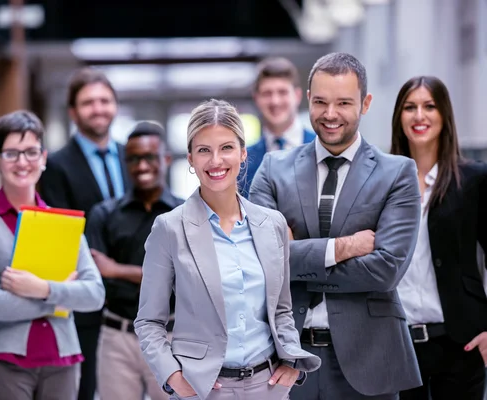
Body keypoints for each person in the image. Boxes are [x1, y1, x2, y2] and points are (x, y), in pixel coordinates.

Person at [249, 52, 423, 399]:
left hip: (370, 359)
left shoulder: (397, 174)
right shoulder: (272, 169)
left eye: (344, 102)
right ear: (308, 100)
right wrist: (341, 248)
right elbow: (258, 260)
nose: (330, 114)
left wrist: (293, 255)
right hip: (286, 360)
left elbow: (385, 270)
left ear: (366, 103)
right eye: (321, 102)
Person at [135, 99, 321, 400]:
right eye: (204, 150)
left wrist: (291, 363)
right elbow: (149, 321)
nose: (216, 161)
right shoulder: (169, 228)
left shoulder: (272, 224)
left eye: (226, 148)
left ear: (243, 153)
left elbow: (282, 309)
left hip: (269, 387)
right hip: (202, 390)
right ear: (191, 160)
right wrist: (172, 376)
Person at [0, 110, 105, 400]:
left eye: (31, 152)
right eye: (11, 153)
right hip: (2, 361)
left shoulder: (63, 223)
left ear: (43, 158)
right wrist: (58, 300)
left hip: (62, 359)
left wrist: (42, 290)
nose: (23, 162)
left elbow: (94, 294)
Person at [390, 76, 487, 400]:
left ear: (444, 115)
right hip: (397, 345)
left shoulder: (473, 180)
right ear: (398, 117)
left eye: (429, 106)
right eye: (410, 107)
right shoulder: (381, 184)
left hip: (461, 342)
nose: (419, 116)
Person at [38, 67, 130, 399]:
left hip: (132, 301)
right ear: (73, 112)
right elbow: (61, 231)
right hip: (85, 299)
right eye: (88, 102)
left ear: (115, 106)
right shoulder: (56, 165)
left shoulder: (130, 157)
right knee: (85, 389)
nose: (98, 108)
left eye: (105, 100)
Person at [86, 121, 183, 400]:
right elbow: (97, 276)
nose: (141, 166)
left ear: (165, 158)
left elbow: (185, 277)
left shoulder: (185, 213)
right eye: (134, 159)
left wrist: (116, 270)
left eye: (149, 157)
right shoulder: (104, 214)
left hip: (172, 337)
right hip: (117, 336)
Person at [238, 57, 316, 197]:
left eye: (282, 92)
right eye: (267, 94)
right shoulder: (242, 163)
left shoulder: (321, 148)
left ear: (297, 96)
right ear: (256, 99)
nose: (275, 101)